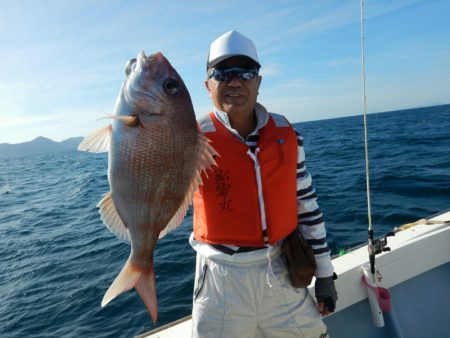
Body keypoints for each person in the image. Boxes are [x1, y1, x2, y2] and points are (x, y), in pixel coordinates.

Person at [190, 30, 337, 338]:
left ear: (258, 82)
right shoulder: (190, 140)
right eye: (223, 73)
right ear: (208, 85)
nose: (234, 82)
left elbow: (307, 206)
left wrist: (324, 273)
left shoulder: (286, 133)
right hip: (219, 280)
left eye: (245, 73)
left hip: (281, 268)